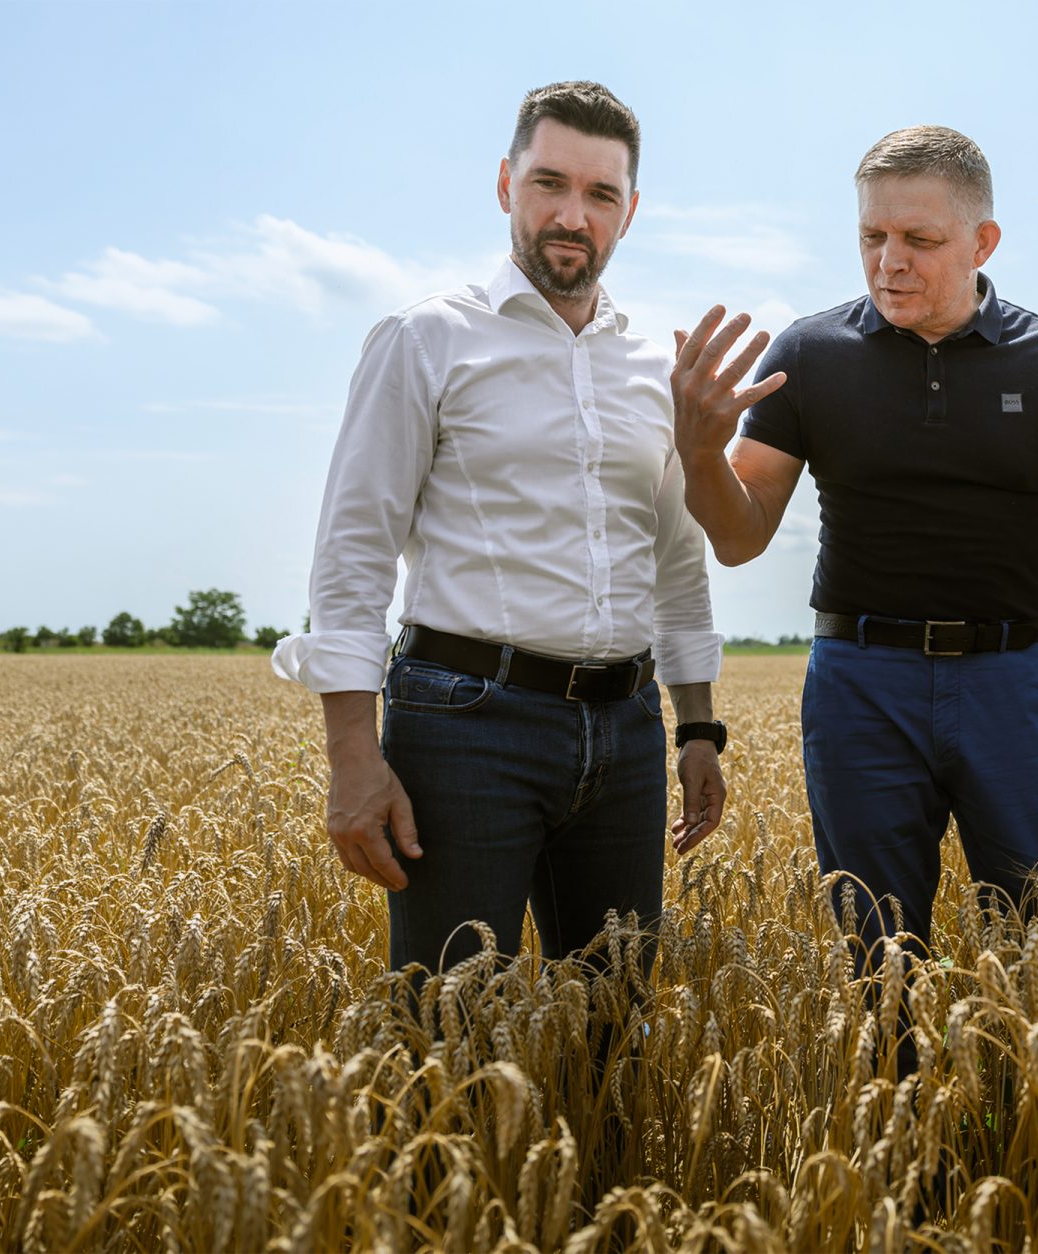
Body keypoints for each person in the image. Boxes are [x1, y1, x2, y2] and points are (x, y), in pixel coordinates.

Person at [671, 124, 1038, 962]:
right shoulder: (809, 354)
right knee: (876, 959)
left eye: (920, 239)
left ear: (983, 242)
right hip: (859, 685)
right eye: (872, 236)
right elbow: (739, 537)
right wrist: (698, 453)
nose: (889, 262)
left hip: (1010, 679)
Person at [273, 81, 728, 984]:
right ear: (504, 184)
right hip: (465, 726)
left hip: (628, 730)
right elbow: (355, 551)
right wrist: (352, 755)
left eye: (600, 194)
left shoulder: (656, 368)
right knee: (453, 1022)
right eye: (549, 183)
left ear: (630, 212)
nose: (572, 215)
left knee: (614, 1024)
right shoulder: (425, 339)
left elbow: (676, 559)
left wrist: (698, 727)